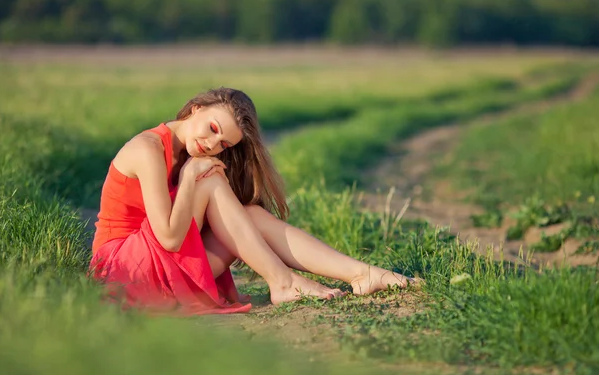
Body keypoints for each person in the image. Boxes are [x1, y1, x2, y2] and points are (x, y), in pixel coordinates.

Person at [90, 87, 417, 316]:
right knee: (211, 179)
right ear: (196, 109)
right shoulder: (148, 149)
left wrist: (193, 175)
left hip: (156, 263)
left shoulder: (189, 150)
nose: (212, 144)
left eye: (223, 144)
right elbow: (170, 238)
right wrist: (190, 178)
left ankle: (362, 274)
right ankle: (283, 282)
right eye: (213, 128)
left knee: (251, 215)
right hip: (122, 272)